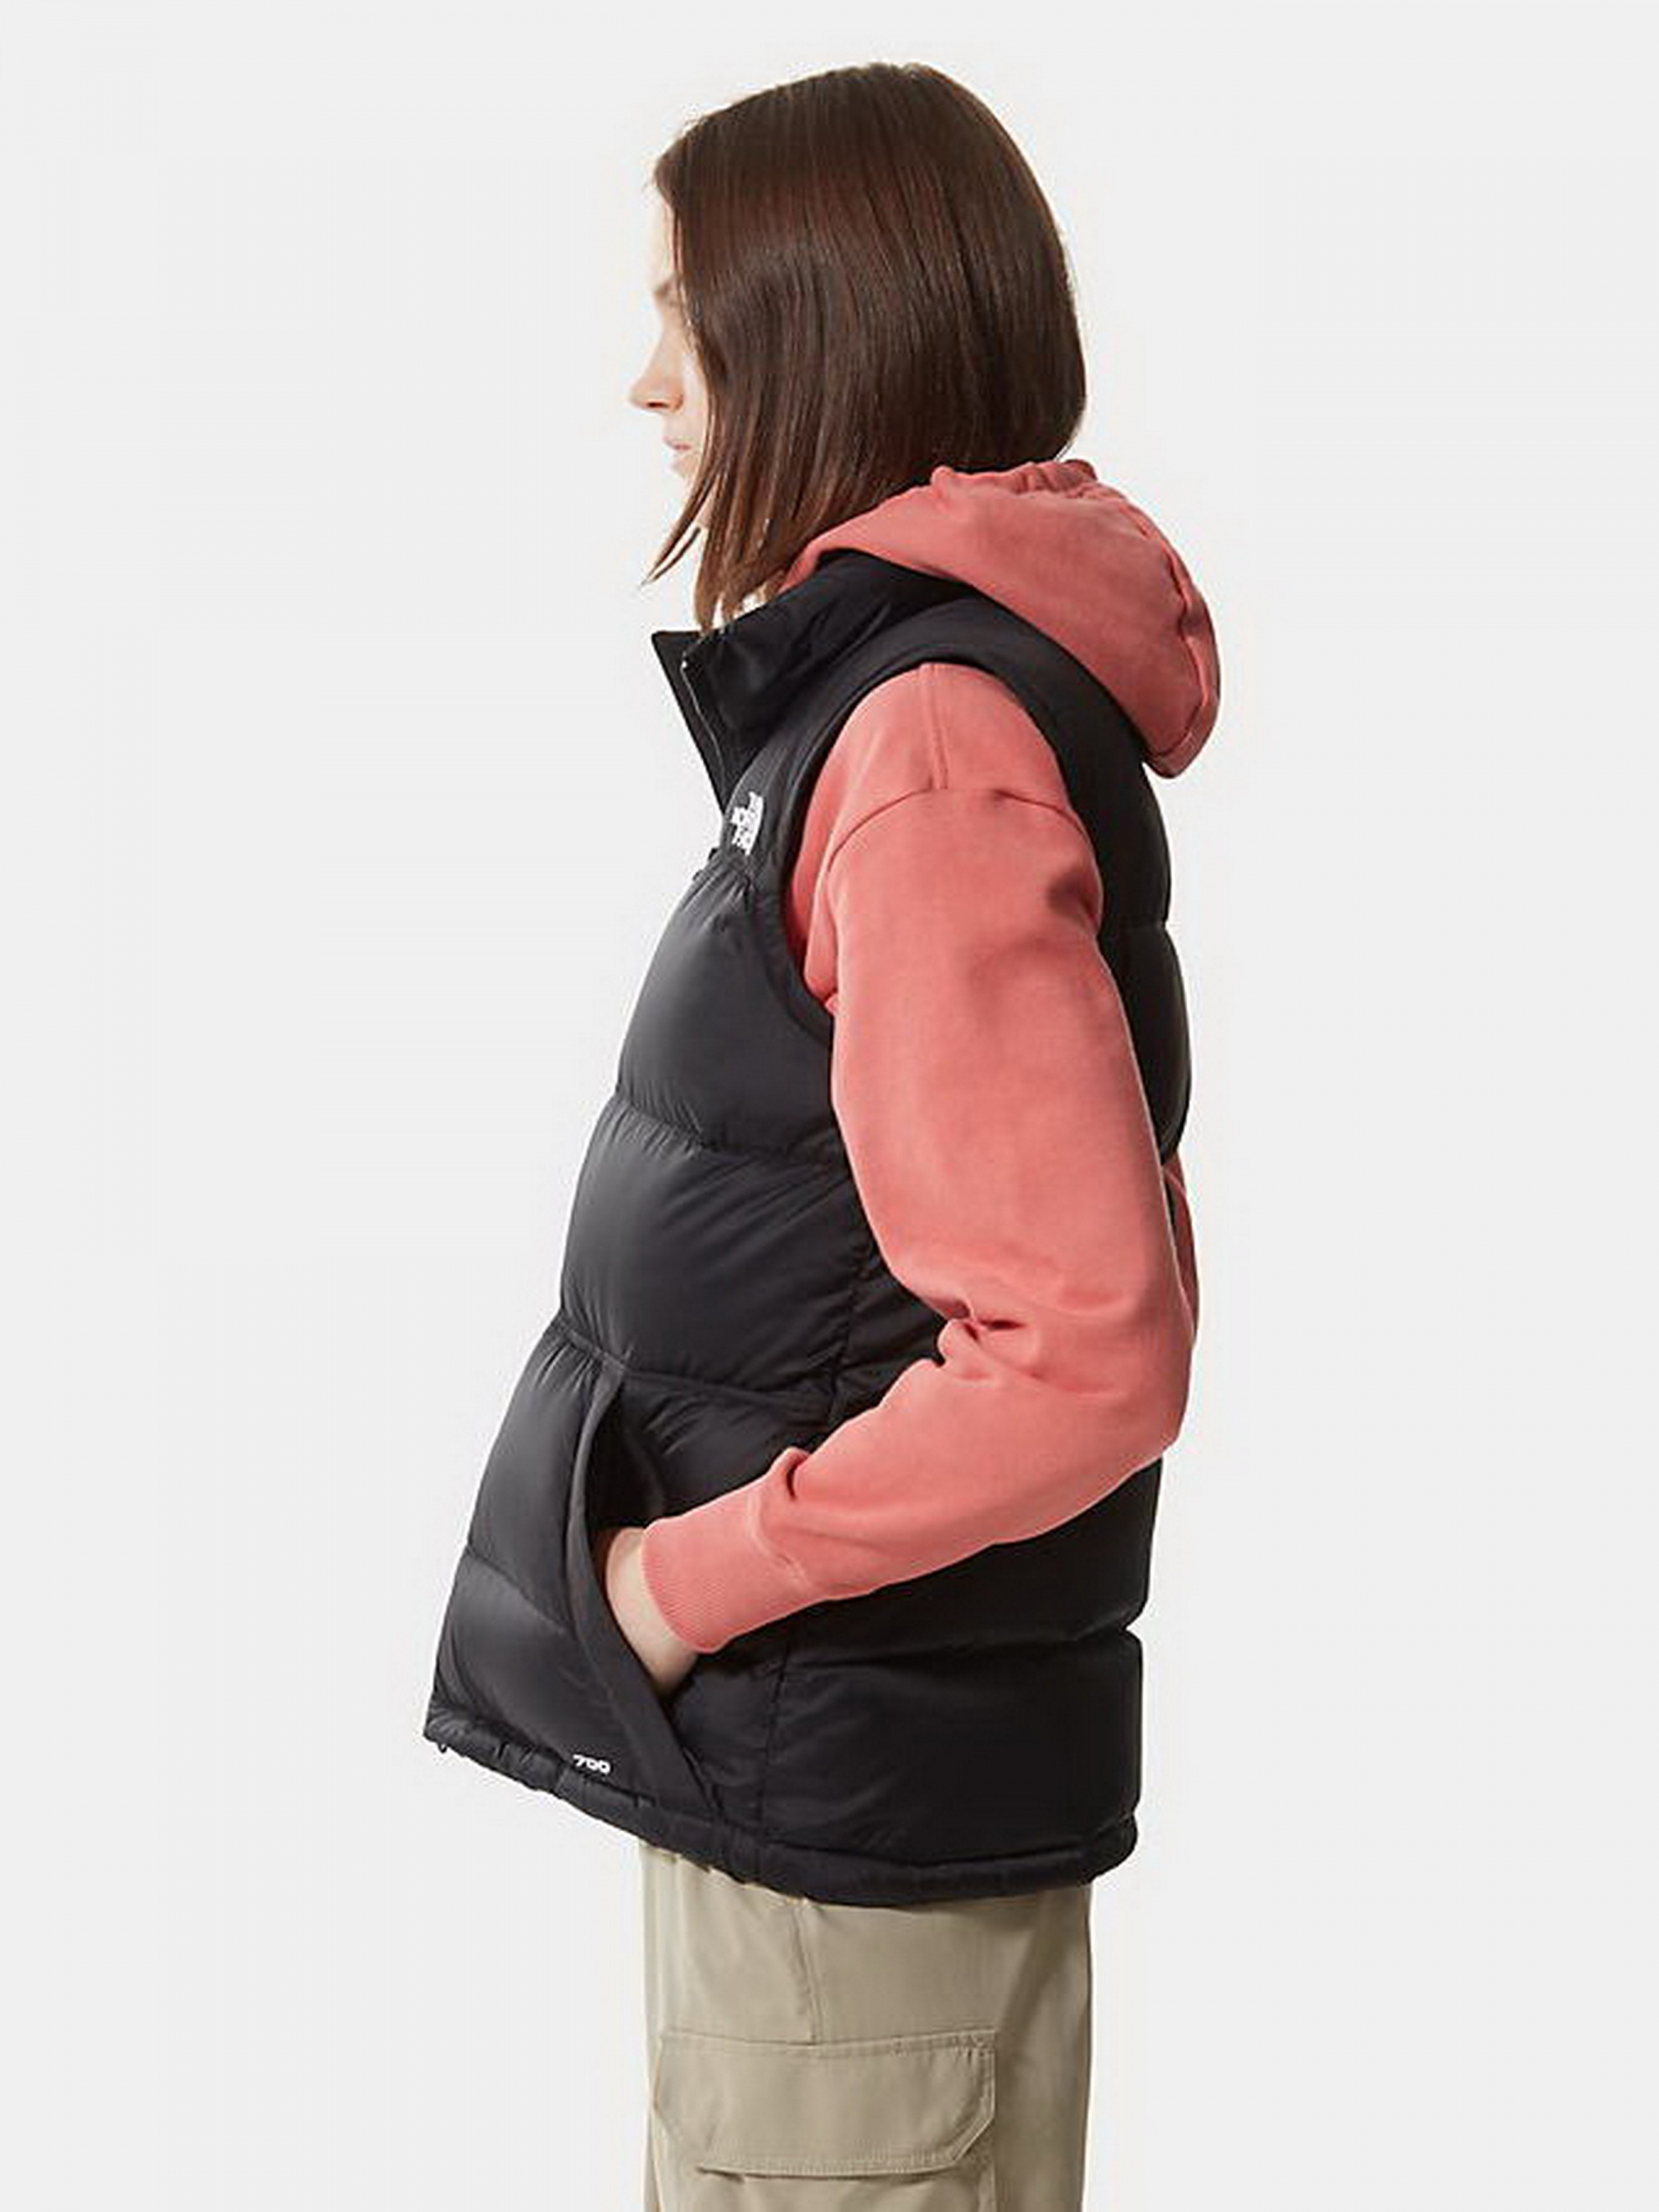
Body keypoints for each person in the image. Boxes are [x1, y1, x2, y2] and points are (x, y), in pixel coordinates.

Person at [424, 61, 1218, 2210]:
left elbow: (1083, 1352)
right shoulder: (905, 711)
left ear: (813, 336)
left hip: (847, 1824)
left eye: (680, 319)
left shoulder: (926, 742)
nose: (645, 385)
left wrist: (679, 1583)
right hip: (830, 1801)